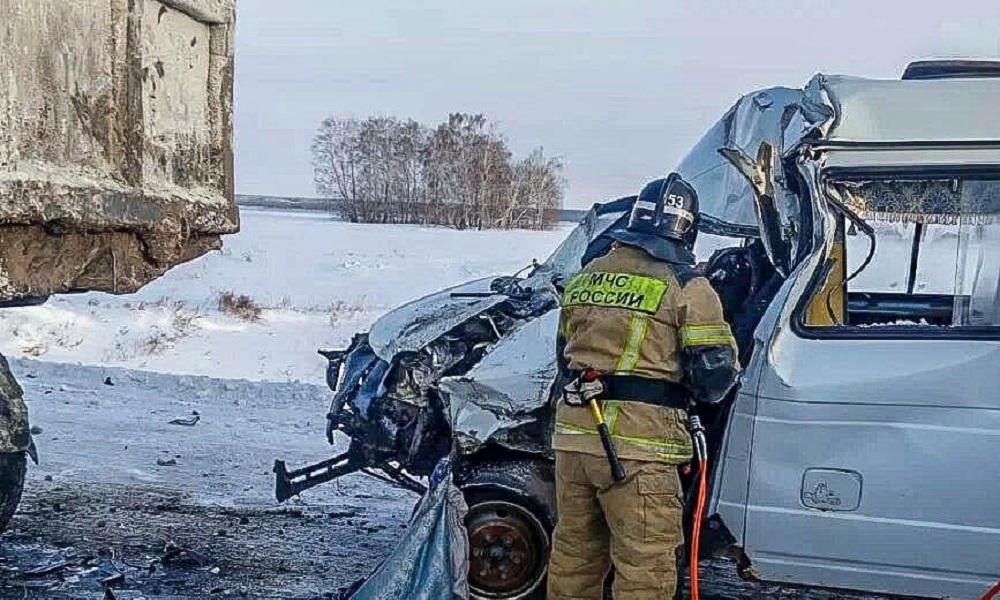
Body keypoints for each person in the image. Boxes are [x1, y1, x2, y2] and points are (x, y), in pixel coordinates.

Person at [547, 173, 742, 599]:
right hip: (640, 452)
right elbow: (715, 376)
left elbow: (564, 356)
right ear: (687, 229)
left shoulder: (589, 275)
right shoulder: (689, 287)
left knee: (574, 559)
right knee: (644, 570)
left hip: (575, 441)